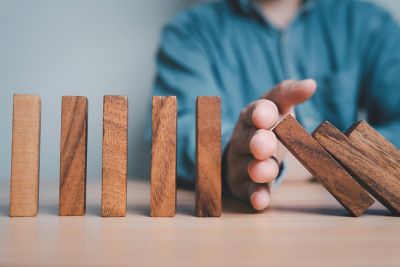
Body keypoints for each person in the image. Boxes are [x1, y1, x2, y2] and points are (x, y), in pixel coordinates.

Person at [148, 0, 400, 211]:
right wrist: (230, 155)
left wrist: (305, 160)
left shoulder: (371, 24)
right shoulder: (188, 33)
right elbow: (176, 133)